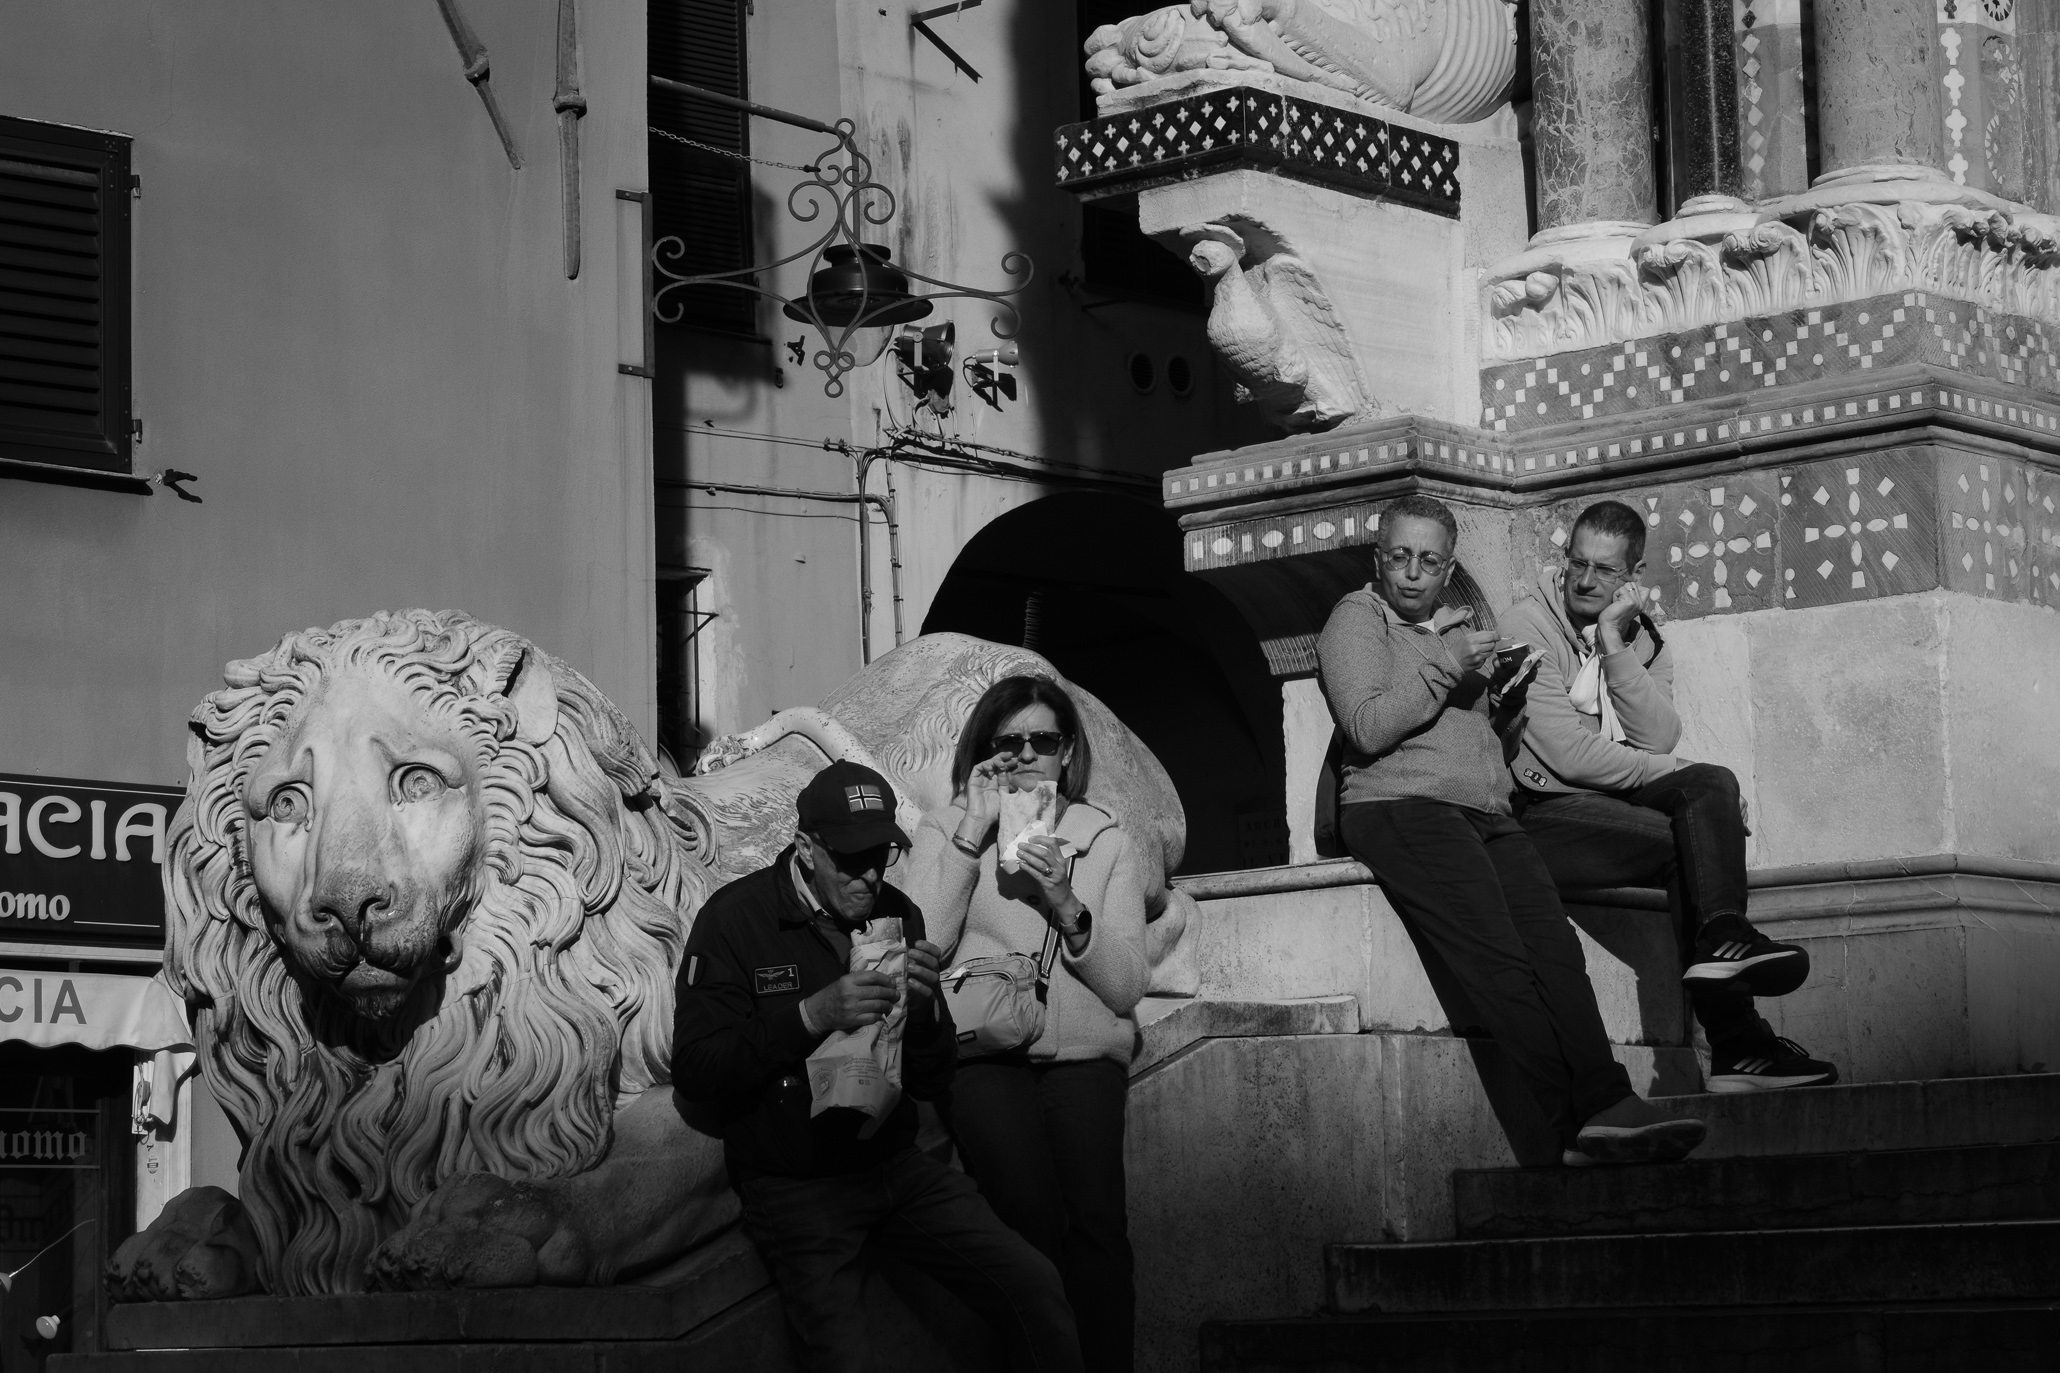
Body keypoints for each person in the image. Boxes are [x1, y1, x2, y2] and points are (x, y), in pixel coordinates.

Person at [1317, 493, 1707, 1166]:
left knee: (1555, 952)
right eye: (1399, 556)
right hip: (1399, 806)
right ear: (1376, 559)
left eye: (1428, 560)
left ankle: (1608, 1101)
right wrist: (1449, 665)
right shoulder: (1356, 617)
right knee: (1498, 959)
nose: (1411, 572)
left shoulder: (1451, 628)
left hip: (1484, 811)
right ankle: (1570, 1124)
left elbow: (1469, 743)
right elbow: (1367, 725)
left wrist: (1503, 708)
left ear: (1448, 567)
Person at [672, 758, 1084, 1373]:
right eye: (850, 858)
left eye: (881, 855)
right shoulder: (736, 920)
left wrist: (924, 1014)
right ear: (806, 848)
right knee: (845, 1359)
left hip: (893, 1164)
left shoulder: (898, 912)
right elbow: (698, 1069)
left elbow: (930, 1079)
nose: (869, 876)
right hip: (795, 1184)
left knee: (1033, 1282)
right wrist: (810, 1016)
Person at [1500, 499, 1837, 1092]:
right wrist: (1675, 772)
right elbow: (1565, 756)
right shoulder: (1528, 624)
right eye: (1576, 562)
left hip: (1600, 814)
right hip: (1536, 816)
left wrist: (1611, 641)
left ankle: (1732, 1004)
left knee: (1700, 826)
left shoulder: (1642, 639)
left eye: (1605, 570)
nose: (1584, 580)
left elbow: (1656, 734)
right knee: (1708, 791)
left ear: (1632, 574)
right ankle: (1738, 1032)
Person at [903, 675, 1148, 1373]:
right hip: (984, 1048)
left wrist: (1066, 900)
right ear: (986, 753)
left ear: (1066, 751)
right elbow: (925, 945)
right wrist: (969, 832)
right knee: (1025, 1222)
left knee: (1098, 1231)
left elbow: (1127, 982)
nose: (1027, 755)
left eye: (1043, 740)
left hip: (1082, 1052)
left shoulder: (1102, 839)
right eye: (1007, 743)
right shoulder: (949, 825)